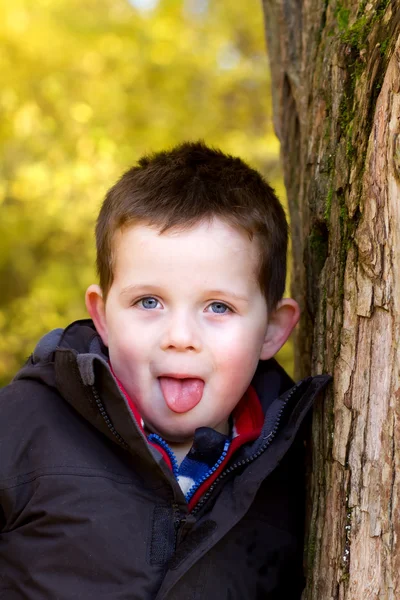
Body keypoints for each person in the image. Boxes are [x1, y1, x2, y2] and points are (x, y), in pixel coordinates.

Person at [0, 141, 330, 599]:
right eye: (148, 302)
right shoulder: (21, 427)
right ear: (103, 317)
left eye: (218, 307)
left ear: (272, 331)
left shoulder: (295, 470)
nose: (180, 336)